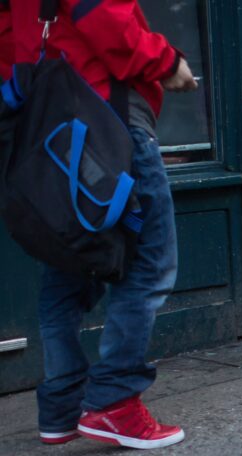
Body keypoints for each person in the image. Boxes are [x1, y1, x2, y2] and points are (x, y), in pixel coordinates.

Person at [1, 0, 197, 449]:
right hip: (108, 116)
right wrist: (166, 61)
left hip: (52, 128)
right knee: (150, 261)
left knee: (68, 267)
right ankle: (114, 402)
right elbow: (104, 15)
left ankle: (61, 409)